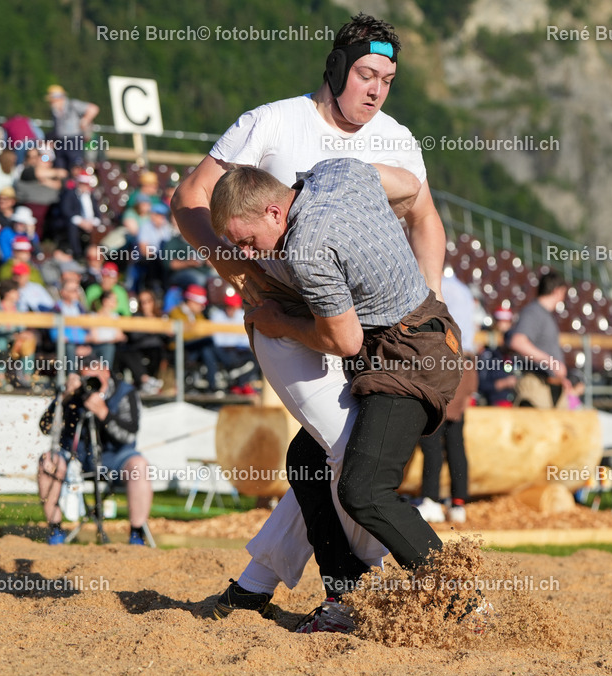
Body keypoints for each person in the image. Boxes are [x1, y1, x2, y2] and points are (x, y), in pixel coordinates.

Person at [171, 13, 447, 623]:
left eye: (388, 79)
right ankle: (372, 589)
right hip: (284, 313)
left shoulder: (397, 138)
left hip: (370, 323)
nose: (375, 90)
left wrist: (428, 303)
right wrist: (237, 270)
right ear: (336, 69)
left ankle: (257, 583)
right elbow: (188, 198)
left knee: (321, 455)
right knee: (348, 451)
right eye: (366, 74)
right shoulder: (272, 121)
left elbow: (425, 216)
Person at [210, 157, 463, 633]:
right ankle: (346, 591)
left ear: (272, 212)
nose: (250, 253)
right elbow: (410, 186)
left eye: (247, 241)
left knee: (362, 489)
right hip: (419, 336)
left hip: (408, 360)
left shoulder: (305, 249)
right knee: (305, 459)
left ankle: (463, 601)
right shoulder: (336, 170)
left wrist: (277, 322)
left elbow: (344, 342)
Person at [38, 355, 152, 545]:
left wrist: (103, 414)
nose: (91, 384)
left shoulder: (125, 393)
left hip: (115, 457)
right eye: (86, 378)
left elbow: (129, 437)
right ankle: (55, 530)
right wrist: (65, 396)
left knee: (139, 466)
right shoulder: (72, 395)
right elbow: (46, 427)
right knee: (48, 461)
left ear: (106, 373)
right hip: (77, 457)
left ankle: (136, 534)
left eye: (96, 377)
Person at [416, 272, 478, 524]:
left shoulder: (431, 284)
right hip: (466, 363)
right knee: (455, 438)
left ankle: (430, 499)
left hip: (445, 361)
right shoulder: (462, 288)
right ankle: (458, 502)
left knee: (431, 434)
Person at [506, 271, 569, 408]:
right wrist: (551, 363)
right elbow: (518, 342)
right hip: (535, 384)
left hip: (549, 384)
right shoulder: (534, 312)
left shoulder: (544, 314)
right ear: (557, 291)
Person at [45, 85, 99, 170]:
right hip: (60, 142)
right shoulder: (55, 112)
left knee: (75, 166)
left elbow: (93, 108)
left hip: (74, 140)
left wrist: (85, 120)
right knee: (61, 166)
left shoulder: (72, 105)